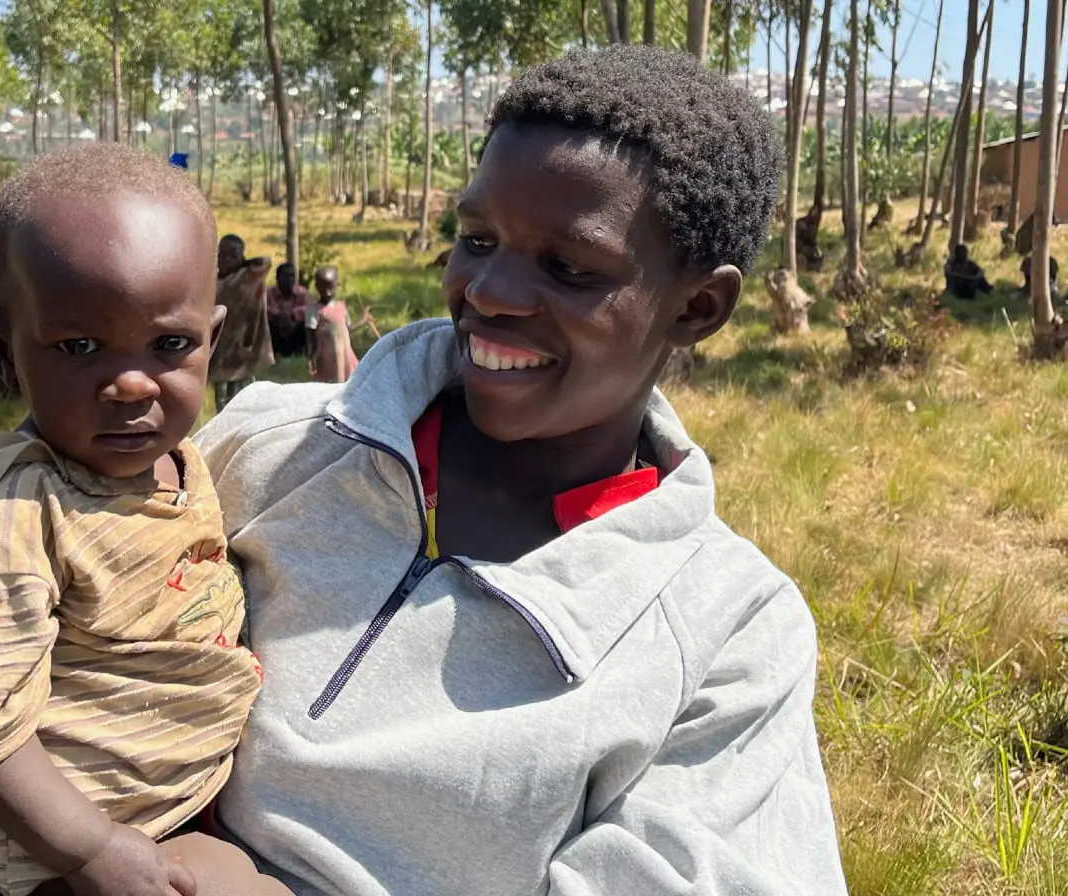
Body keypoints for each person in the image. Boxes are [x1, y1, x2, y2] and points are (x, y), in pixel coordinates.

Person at [195, 46, 847, 894]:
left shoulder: (727, 630)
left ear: (695, 308)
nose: (490, 292)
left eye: (570, 268)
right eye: (475, 240)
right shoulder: (269, 450)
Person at [0, 145, 284, 896]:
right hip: (46, 850)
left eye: (169, 345)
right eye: (79, 347)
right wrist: (90, 853)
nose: (128, 381)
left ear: (211, 340)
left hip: (158, 811)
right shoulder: (4, 512)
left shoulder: (185, 462)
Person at [207, 234, 274, 412]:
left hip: (242, 348)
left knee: (244, 397)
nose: (226, 260)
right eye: (222, 255)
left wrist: (243, 264)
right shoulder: (211, 281)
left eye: (232, 256)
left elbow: (265, 261)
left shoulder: (247, 277)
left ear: (242, 258)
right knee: (221, 401)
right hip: (219, 351)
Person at [305, 265, 360, 384]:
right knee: (328, 384)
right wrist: (310, 356)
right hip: (326, 355)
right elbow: (310, 335)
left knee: (348, 383)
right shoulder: (314, 310)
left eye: (331, 288)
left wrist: (364, 321)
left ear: (337, 285)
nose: (327, 292)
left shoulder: (341, 307)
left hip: (345, 354)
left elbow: (348, 329)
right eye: (323, 288)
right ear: (316, 287)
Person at [265, 263, 309, 359]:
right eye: (286, 276)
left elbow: (310, 308)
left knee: (309, 323)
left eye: (292, 276)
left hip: (295, 331)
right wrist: (279, 316)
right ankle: (271, 356)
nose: (290, 279)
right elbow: (263, 309)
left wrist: (292, 315)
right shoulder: (268, 293)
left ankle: (304, 353)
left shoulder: (302, 293)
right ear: (277, 278)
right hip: (275, 332)